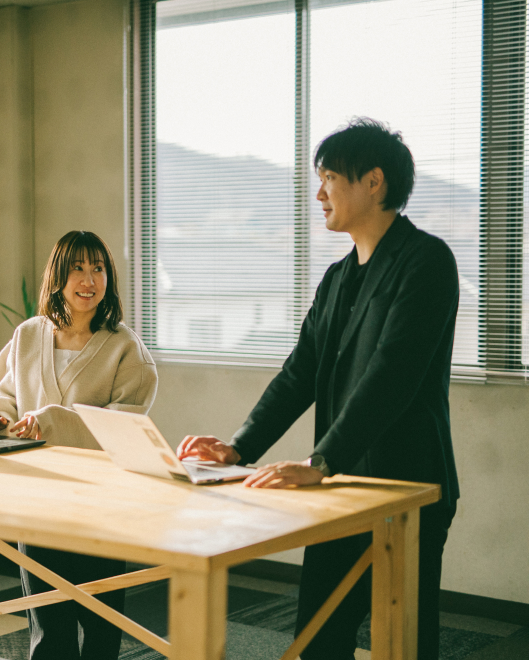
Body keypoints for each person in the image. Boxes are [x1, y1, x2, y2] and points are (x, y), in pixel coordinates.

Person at [177, 118, 460, 659]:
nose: (319, 192)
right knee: (317, 640)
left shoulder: (427, 261)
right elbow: (299, 373)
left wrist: (322, 460)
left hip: (407, 485)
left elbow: (392, 374)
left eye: (330, 176)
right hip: (340, 488)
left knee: (403, 645)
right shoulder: (335, 278)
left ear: (374, 182)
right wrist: (239, 448)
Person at [0, 230, 158, 660]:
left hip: (99, 505)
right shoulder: (28, 335)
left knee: (100, 624)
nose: (88, 279)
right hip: (38, 497)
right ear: (59, 275)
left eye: (98, 269)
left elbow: (125, 427)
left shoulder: (126, 349)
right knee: (48, 627)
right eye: (78, 268)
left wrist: (54, 421)